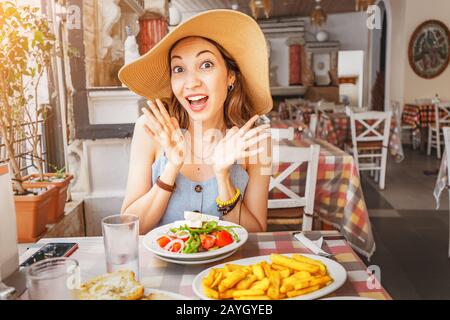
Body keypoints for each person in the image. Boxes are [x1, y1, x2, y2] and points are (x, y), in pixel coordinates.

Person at [118, 10, 273, 234]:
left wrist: (223, 177)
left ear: (230, 76)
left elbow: (257, 234)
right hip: (164, 269)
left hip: (229, 268)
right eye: (179, 69)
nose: (191, 83)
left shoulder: (257, 141)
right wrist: (171, 168)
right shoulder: (148, 129)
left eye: (206, 65)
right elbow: (128, 227)